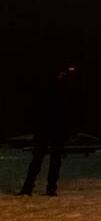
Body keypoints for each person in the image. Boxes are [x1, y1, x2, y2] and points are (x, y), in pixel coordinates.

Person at [19, 65, 76, 197]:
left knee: (39, 160)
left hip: (47, 129)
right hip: (54, 129)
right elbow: (68, 112)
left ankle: (30, 188)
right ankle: (48, 188)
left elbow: (37, 109)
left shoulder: (48, 89)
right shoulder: (64, 90)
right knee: (51, 160)